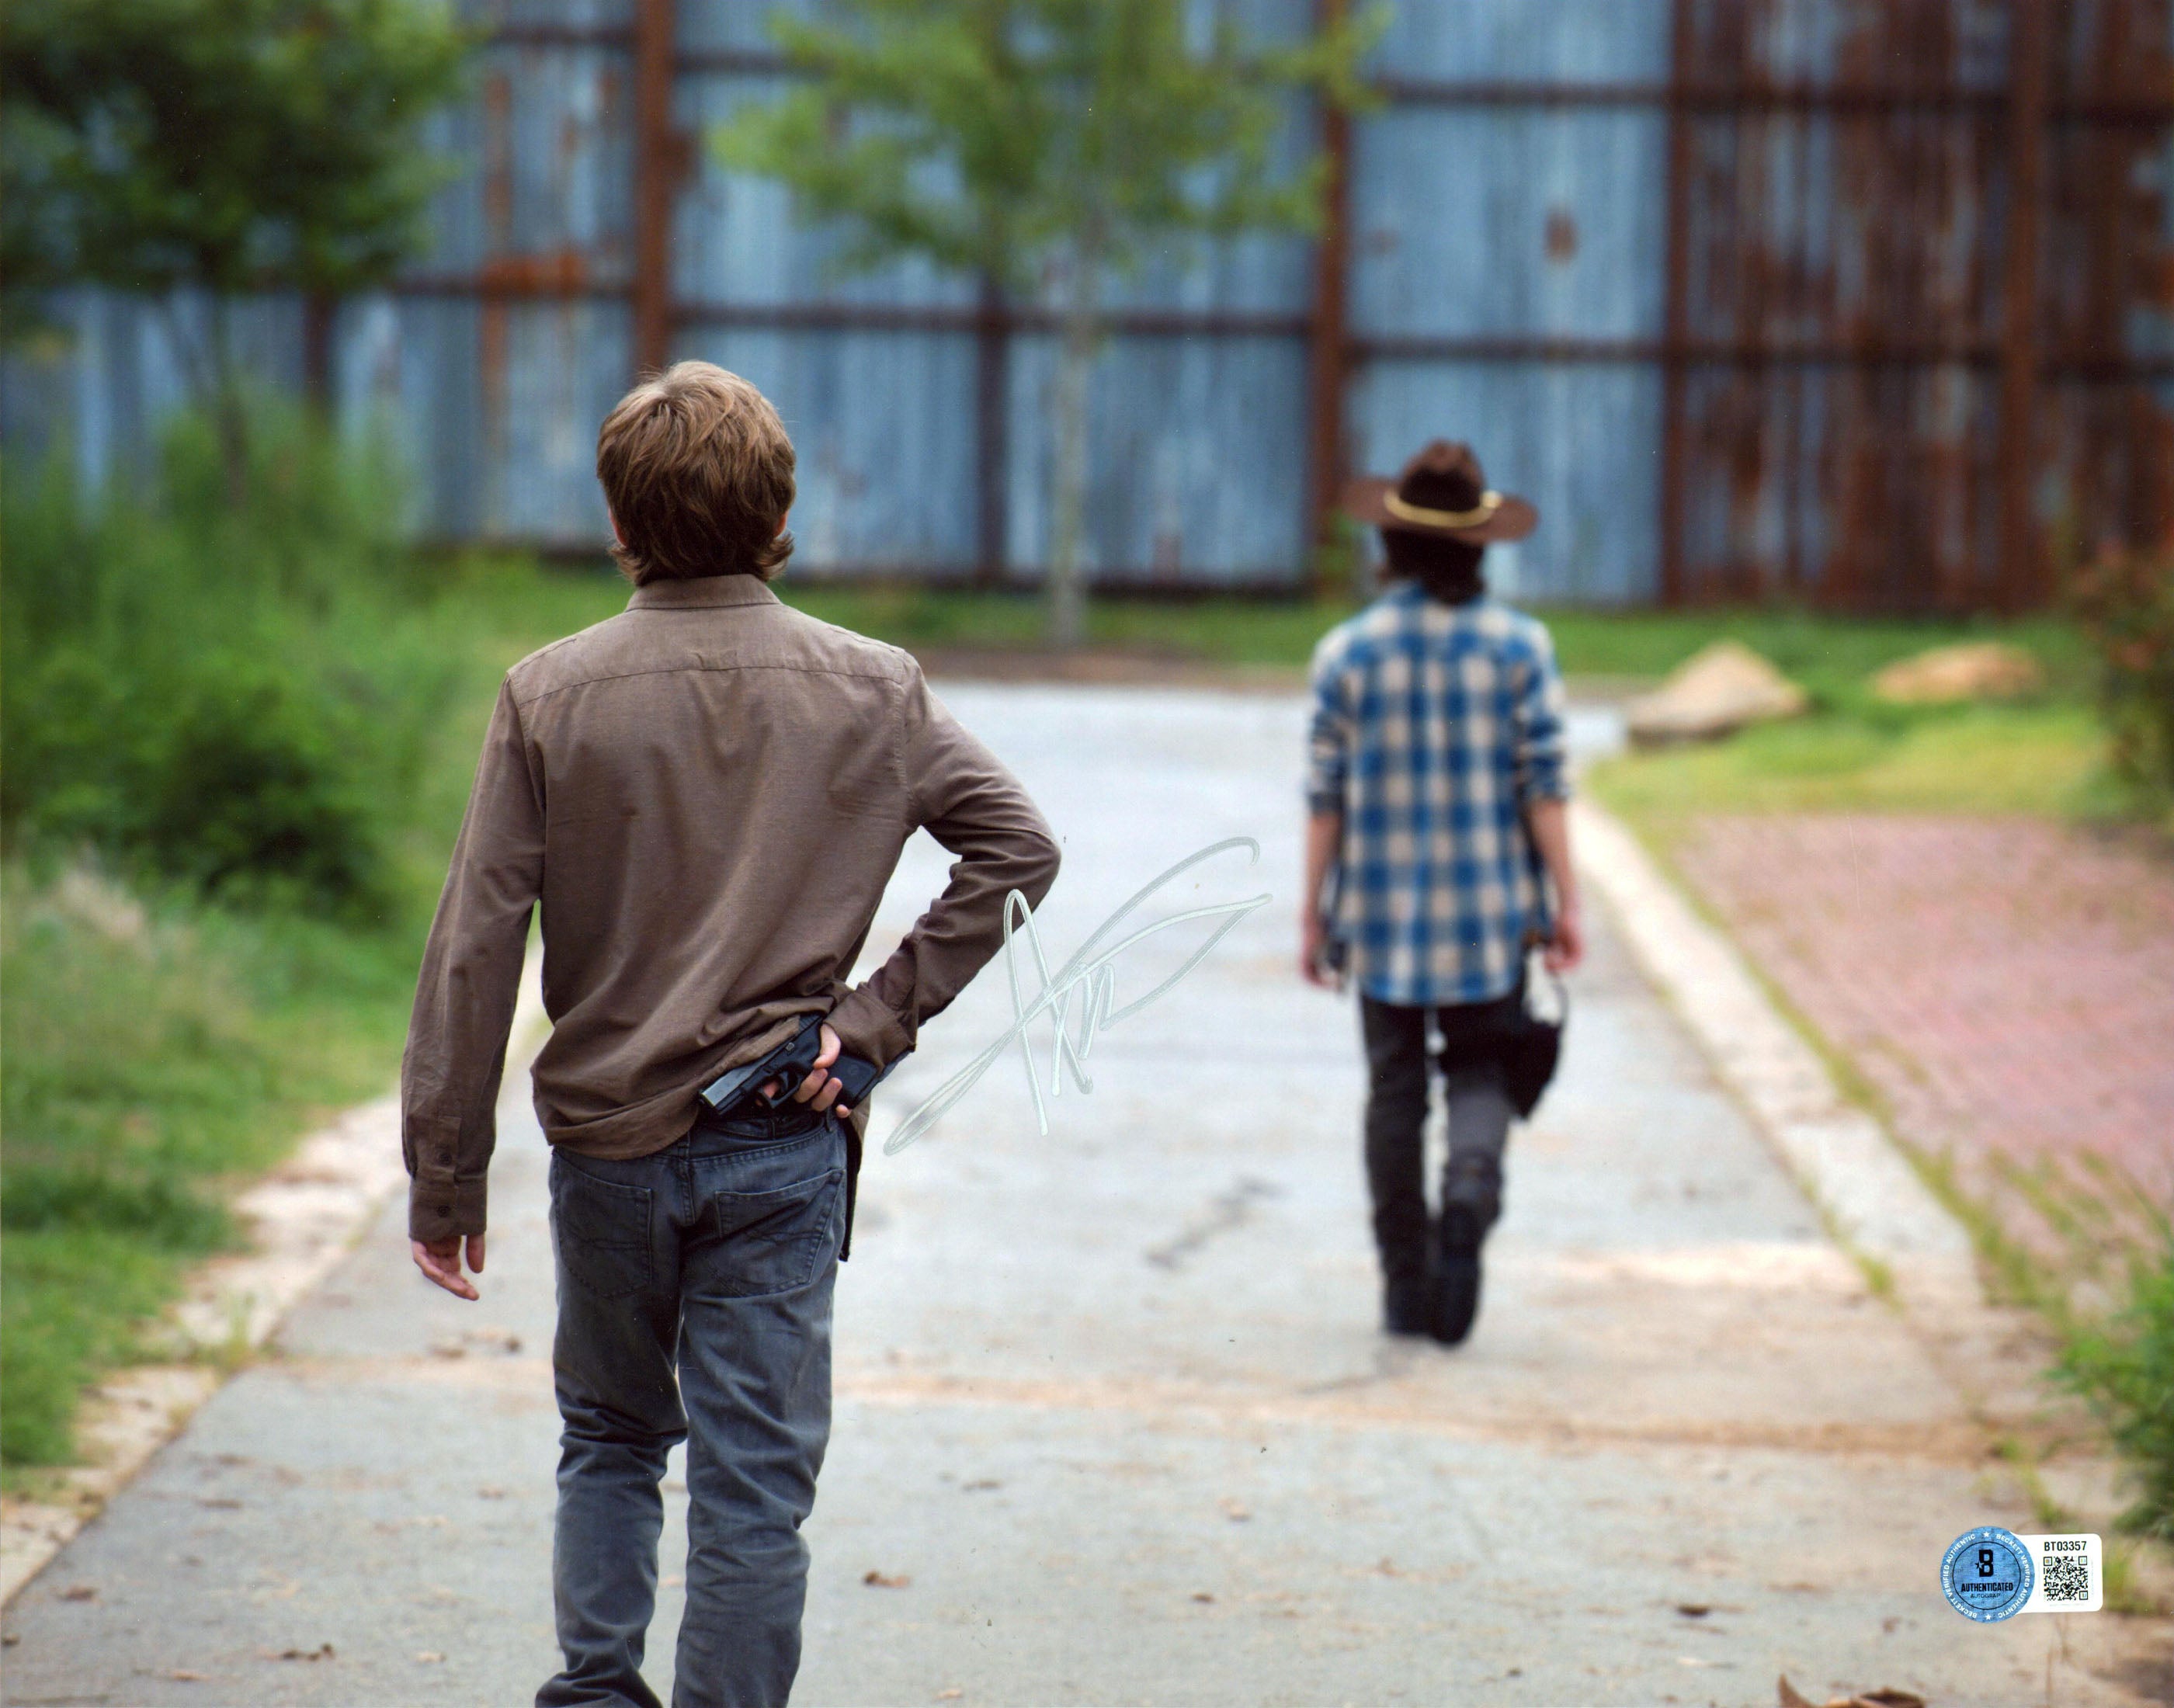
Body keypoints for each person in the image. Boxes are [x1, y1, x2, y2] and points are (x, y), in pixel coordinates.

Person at [399, 361, 1061, 1708]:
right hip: (782, 1140)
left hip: (608, 1149)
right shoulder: (873, 687)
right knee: (756, 1492)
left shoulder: (550, 693)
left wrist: (446, 1169)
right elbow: (1017, 848)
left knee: (610, 1433)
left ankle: (595, 1685)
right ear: (778, 514)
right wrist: (874, 1025)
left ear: (618, 520)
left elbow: (478, 943)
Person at [1299, 439, 1582, 1346]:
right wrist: (1566, 902)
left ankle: (1402, 1286)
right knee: (1480, 1068)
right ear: (1477, 545)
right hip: (1491, 913)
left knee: (1392, 1091)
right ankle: (1468, 1191)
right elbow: (1544, 784)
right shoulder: (1520, 647)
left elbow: (1325, 799)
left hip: (1379, 921)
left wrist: (1313, 912)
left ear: (1396, 543)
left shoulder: (1347, 652)